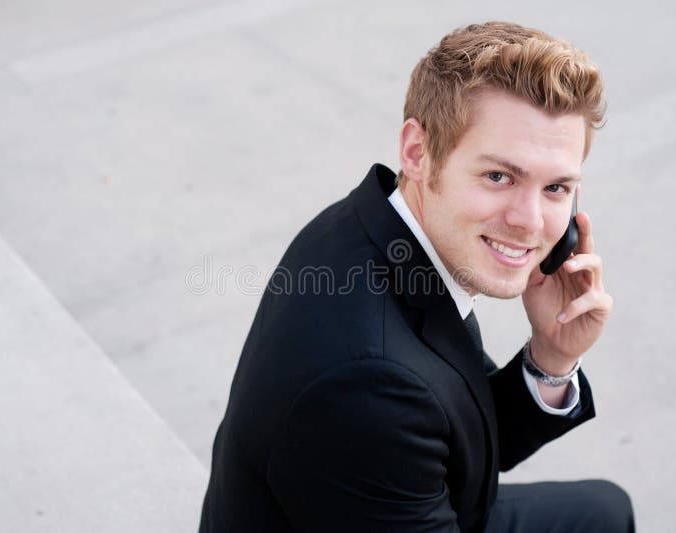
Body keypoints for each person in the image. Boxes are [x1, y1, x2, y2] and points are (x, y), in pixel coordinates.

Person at [200, 21, 634, 533]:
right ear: (417, 152)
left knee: (606, 509)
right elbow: (407, 410)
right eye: (499, 176)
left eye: (556, 188)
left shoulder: (374, 224)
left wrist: (552, 357)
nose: (531, 221)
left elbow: (458, 427)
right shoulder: (371, 387)